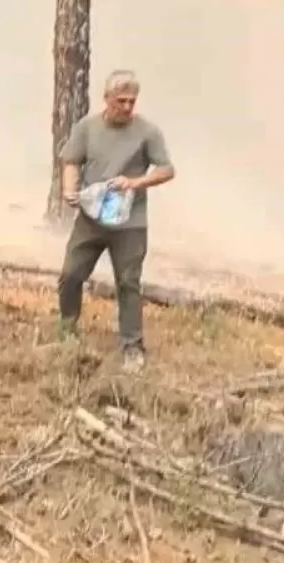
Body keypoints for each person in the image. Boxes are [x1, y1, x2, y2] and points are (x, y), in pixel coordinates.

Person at [57, 70, 176, 373]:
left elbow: (166, 170)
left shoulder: (147, 132)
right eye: (120, 100)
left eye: (131, 101)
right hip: (92, 218)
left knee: (128, 282)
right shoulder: (87, 127)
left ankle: (131, 346)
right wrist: (69, 190)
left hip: (130, 222)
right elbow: (71, 160)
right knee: (71, 274)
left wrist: (135, 183)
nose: (126, 107)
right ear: (106, 99)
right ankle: (67, 332)